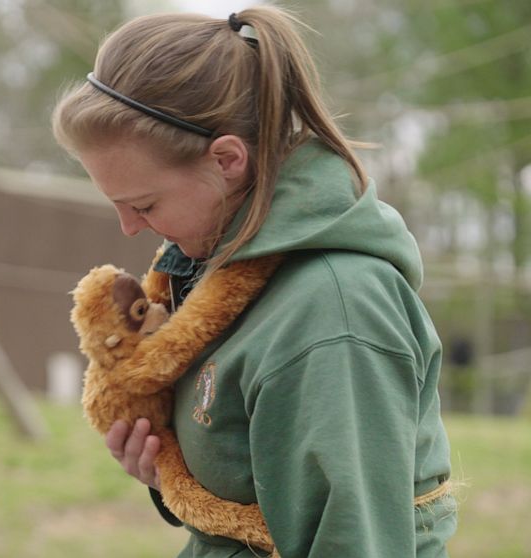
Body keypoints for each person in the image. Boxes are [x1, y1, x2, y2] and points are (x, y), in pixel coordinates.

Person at [52, 7, 456, 558]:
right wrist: (170, 476)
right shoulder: (217, 273)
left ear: (226, 160)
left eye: (144, 204)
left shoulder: (334, 312)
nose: (130, 228)